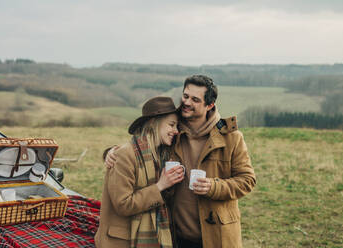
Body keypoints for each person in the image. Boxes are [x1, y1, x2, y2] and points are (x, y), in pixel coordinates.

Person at [105, 75, 256, 248]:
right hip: (174, 235)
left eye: (195, 99)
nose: (187, 102)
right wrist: (111, 152)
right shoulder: (173, 133)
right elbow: (143, 142)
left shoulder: (231, 138)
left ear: (210, 105)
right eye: (185, 96)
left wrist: (213, 187)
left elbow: (247, 180)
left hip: (217, 237)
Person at [95, 96, 185, 248]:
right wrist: (160, 186)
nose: (176, 131)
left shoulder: (162, 156)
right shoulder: (125, 154)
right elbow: (123, 204)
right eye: (171, 125)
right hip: (122, 241)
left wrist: (170, 184)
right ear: (153, 123)